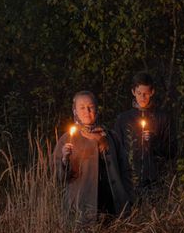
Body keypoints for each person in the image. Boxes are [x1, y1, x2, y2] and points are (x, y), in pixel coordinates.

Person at [53, 92, 131, 225]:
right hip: (81, 208)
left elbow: (125, 170)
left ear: (97, 109)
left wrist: (129, 197)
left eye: (91, 107)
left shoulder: (111, 136)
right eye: (82, 107)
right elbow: (59, 178)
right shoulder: (67, 139)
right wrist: (65, 159)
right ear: (75, 111)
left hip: (113, 207)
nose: (87, 111)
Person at [112, 72, 176, 200]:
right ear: (133, 92)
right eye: (139, 93)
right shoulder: (123, 119)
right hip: (129, 180)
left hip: (155, 180)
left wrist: (154, 142)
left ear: (152, 92)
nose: (142, 97)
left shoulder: (162, 118)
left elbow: (172, 150)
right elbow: (116, 149)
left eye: (146, 93)